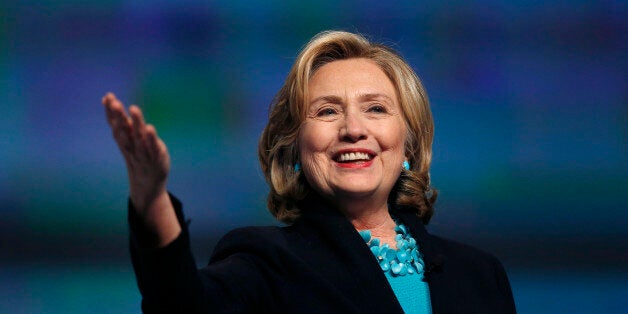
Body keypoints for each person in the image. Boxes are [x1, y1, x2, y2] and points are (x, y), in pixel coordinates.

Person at [103, 30, 516, 313]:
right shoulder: (267, 263)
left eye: (375, 109)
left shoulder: (480, 275)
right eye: (327, 111)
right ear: (295, 147)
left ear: (408, 142)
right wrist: (152, 197)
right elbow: (182, 306)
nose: (354, 129)